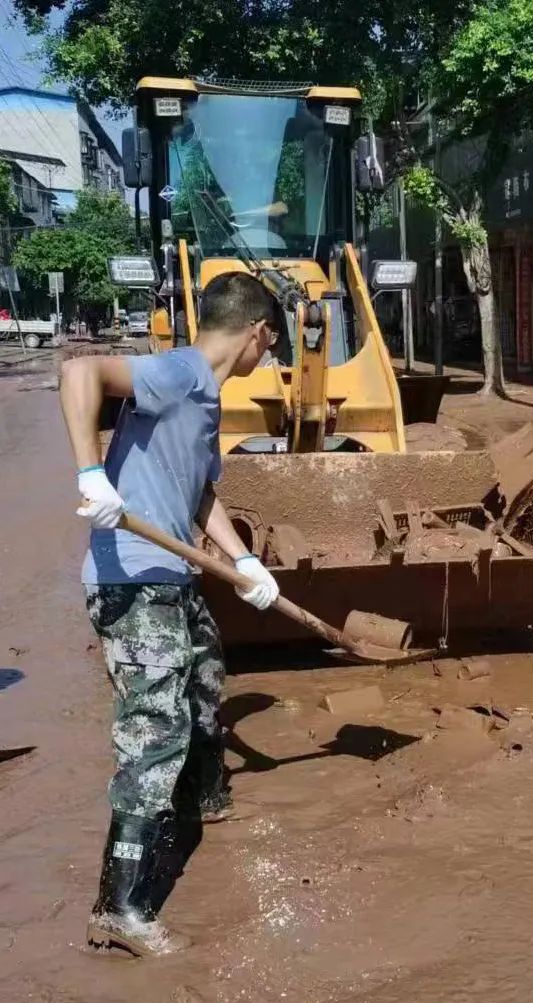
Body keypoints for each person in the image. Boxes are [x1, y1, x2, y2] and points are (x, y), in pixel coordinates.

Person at [60, 272, 283, 957]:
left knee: (206, 675)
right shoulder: (181, 371)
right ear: (258, 332)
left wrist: (243, 562)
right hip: (132, 579)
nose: (267, 360)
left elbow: (198, 492)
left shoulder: (203, 396)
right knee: (153, 732)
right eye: (270, 348)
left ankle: (199, 805)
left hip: (172, 574)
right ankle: (119, 908)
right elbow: (78, 373)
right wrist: (90, 475)